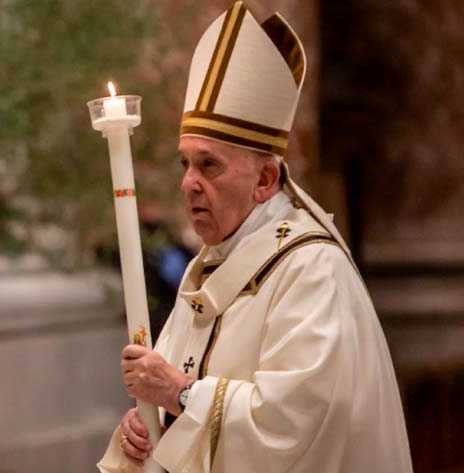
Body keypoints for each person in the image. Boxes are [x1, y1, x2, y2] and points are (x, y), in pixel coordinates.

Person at [97, 2, 413, 472]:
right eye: (185, 163)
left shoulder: (311, 269)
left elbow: (296, 421)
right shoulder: (210, 264)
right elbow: (174, 398)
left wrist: (179, 394)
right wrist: (148, 425)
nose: (189, 183)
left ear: (265, 180)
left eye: (209, 165)